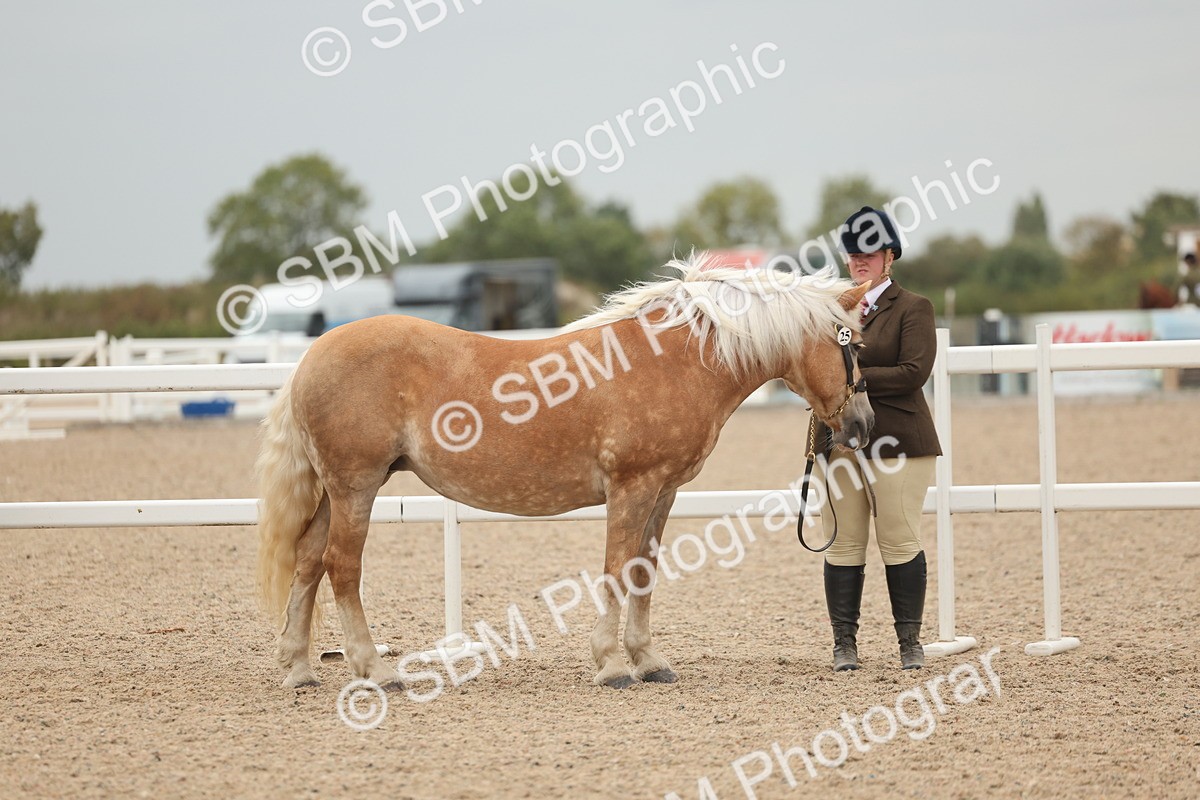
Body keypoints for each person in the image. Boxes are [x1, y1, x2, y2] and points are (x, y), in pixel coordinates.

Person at [812, 206, 942, 671]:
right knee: (843, 541)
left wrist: (850, 375)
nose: (859, 261)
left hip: (900, 440)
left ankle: (910, 643)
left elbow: (914, 372)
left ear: (890, 257)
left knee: (898, 540)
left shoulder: (913, 308)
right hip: (840, 441)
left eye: (869, 252)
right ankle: (844, 644)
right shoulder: (831, 311)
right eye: (853, 255)